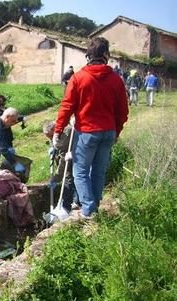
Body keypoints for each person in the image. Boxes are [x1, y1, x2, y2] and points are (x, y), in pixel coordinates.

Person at [53, 37, 128, 218]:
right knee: (99, 171)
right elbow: (123, 111)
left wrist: (58, 130)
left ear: (88, 55)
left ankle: (88, 209)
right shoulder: (116, 80)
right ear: (106, 55)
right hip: (108, 132)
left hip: (87, 131)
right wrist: (116, 131)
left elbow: (67, 106)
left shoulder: (78, 78)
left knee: (80, 171)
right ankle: (94, 205)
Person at [43, 121, 79, 212]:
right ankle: (76, 202)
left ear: (55, 130)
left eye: (51, 136)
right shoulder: (57, 131)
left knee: (68, 178)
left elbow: (63, 161)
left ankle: (66, 207)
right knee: (71, 177)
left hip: (76, 154)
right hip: (69, 154)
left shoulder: (66, 133)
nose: (51, 139)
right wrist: (53, 147)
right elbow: (54, 141)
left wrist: (56, 178)